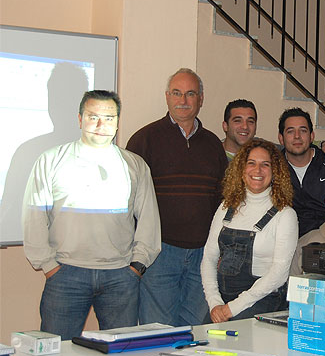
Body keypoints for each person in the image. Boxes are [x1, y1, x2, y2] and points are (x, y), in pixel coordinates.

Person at [22, 90, 161, 340]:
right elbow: (34, 217)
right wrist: (49, 266)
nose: (100, 125)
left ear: (118, 122)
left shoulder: (135, 165)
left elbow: (149, 220)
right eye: (93, 117)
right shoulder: (51, 160)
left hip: (121, 277)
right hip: (65, 275)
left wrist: (137, 266)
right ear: (79, 119)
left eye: (109, 118)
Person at [126, 68, 227, 326]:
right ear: (167, 97)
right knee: (157, 331)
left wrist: (219, 250)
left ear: (201, 99)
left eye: (190, 93)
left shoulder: (214, 144)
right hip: (159, 254)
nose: (183, 100)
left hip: (203, 255)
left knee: (195, 330)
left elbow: (223, 201)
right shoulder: (143, 139)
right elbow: (129, 202)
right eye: (177, 93)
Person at [201, 139, 298, 322]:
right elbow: (209, 257)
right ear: (241, 169)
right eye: (251, 163)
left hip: (262, 301)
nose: (257, 170)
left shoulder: (285, 215)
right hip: (222, 303)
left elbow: (279, 274)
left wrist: (232, 308)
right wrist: (214, 303)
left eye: (265, 165)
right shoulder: (225, 207)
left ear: (275, 172)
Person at [277, 108, 325, 236]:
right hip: (287, 237)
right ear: (281, 138)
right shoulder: (272, 167)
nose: (297, 136)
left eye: (303, 130)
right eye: (290, 131)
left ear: (311, 136)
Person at [222, 98, 325, 164]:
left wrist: (322, 144)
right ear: (225, 126)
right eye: (237, 120)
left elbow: (290, 143)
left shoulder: (263, 148)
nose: (245, 127)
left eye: (250, 121)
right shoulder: (213, 153)